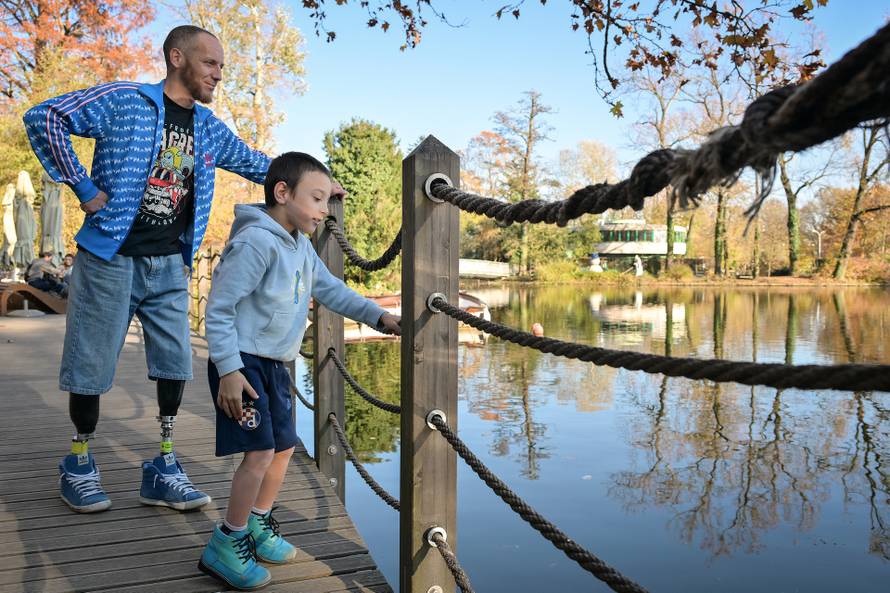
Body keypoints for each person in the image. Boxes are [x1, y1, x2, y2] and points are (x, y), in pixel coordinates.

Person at [23, 25, 272, 514]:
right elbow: (44, 116)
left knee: (176, 363)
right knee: (91, 365)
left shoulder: (208, 128)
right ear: (177, 57)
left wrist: (319, 183)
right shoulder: (123, 100)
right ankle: (78, 462)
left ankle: (162, 467)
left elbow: (260, 165)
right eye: (210, 63)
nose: (219, 74)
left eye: (221, 66)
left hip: (168, 265)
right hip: (108, 259)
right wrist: (82, 187)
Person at [198, 152, 401, 590]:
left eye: (328, 200)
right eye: (316, 199)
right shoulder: (256, 242)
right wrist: (229, 370)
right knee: (258, 453)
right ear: (282, 193)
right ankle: (226, 542)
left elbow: (329, 288)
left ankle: (255, 522)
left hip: (274, 362)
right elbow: (219, 310)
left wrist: (378, 317)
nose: (325, 210)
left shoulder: (300, 245)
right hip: (243, 363)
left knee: (285, 446)